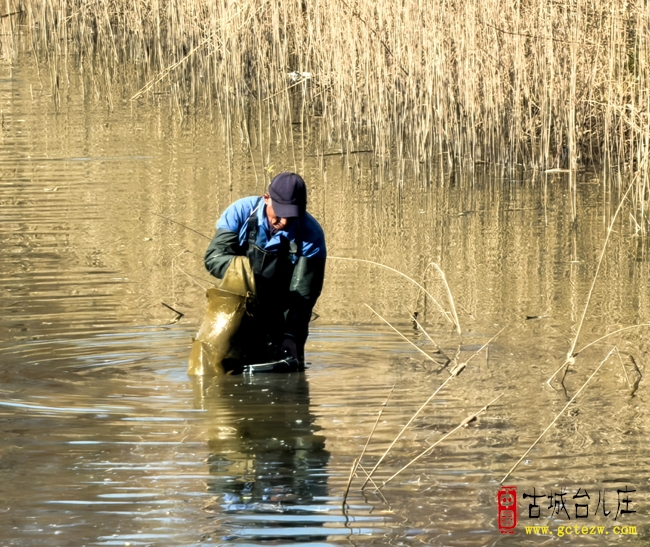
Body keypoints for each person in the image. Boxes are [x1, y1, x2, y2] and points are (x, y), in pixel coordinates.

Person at [204, 172, 326, 369]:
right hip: (240, 305)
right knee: (224, 367)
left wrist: (291, 336)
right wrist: (247, 274)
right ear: (266, 198)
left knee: (288, 371)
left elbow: (304, 294)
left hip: (284, 313)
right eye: (279, 214)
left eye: (291, 216)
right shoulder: (241, 212)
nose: (284, 222)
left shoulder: (311, 233)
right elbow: (214, 258)